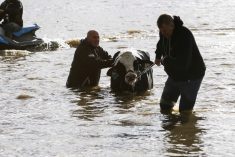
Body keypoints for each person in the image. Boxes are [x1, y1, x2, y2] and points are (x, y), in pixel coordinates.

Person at [154, 14, 206, 113]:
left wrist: (165, 61)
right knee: (164, 105)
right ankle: (169, 124)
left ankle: (186, 126)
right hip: (174, 74)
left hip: (192, 75)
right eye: (161, 31)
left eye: (165, 31)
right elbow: (161, 43)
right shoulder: (163, 33)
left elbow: (183, 63)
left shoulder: (184, 35)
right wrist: (157, 56)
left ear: (172, 25)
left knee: (185, 111)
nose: (163, 33)